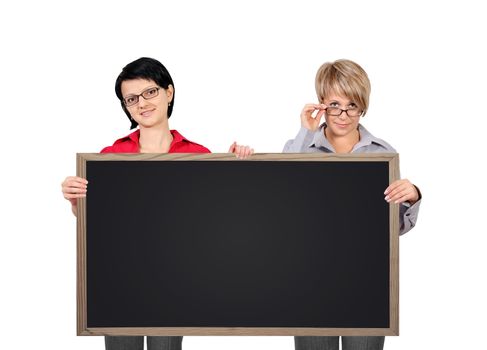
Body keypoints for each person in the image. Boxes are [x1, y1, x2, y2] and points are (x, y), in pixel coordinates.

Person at [62, 57, 253, 350]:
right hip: (120, 282)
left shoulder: (197, 155)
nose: (142, 103)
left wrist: (232, 167)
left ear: (169, 92)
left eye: (150, 92)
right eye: (131, 99)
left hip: (173, 283)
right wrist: (76, 200)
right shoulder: (110, 156)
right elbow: (98, 223)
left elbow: (214, 220)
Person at [283, 59, 421, 350]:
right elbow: (285, 200)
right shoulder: (299, 146)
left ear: (363, 106)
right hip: (309, 284)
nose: (343, 115)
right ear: (321, 104)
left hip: (364, 285)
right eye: (334, 104)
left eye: (352, 105)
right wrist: (306, 133)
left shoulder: (382, 154)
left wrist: (412, 197)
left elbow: (391, 229)